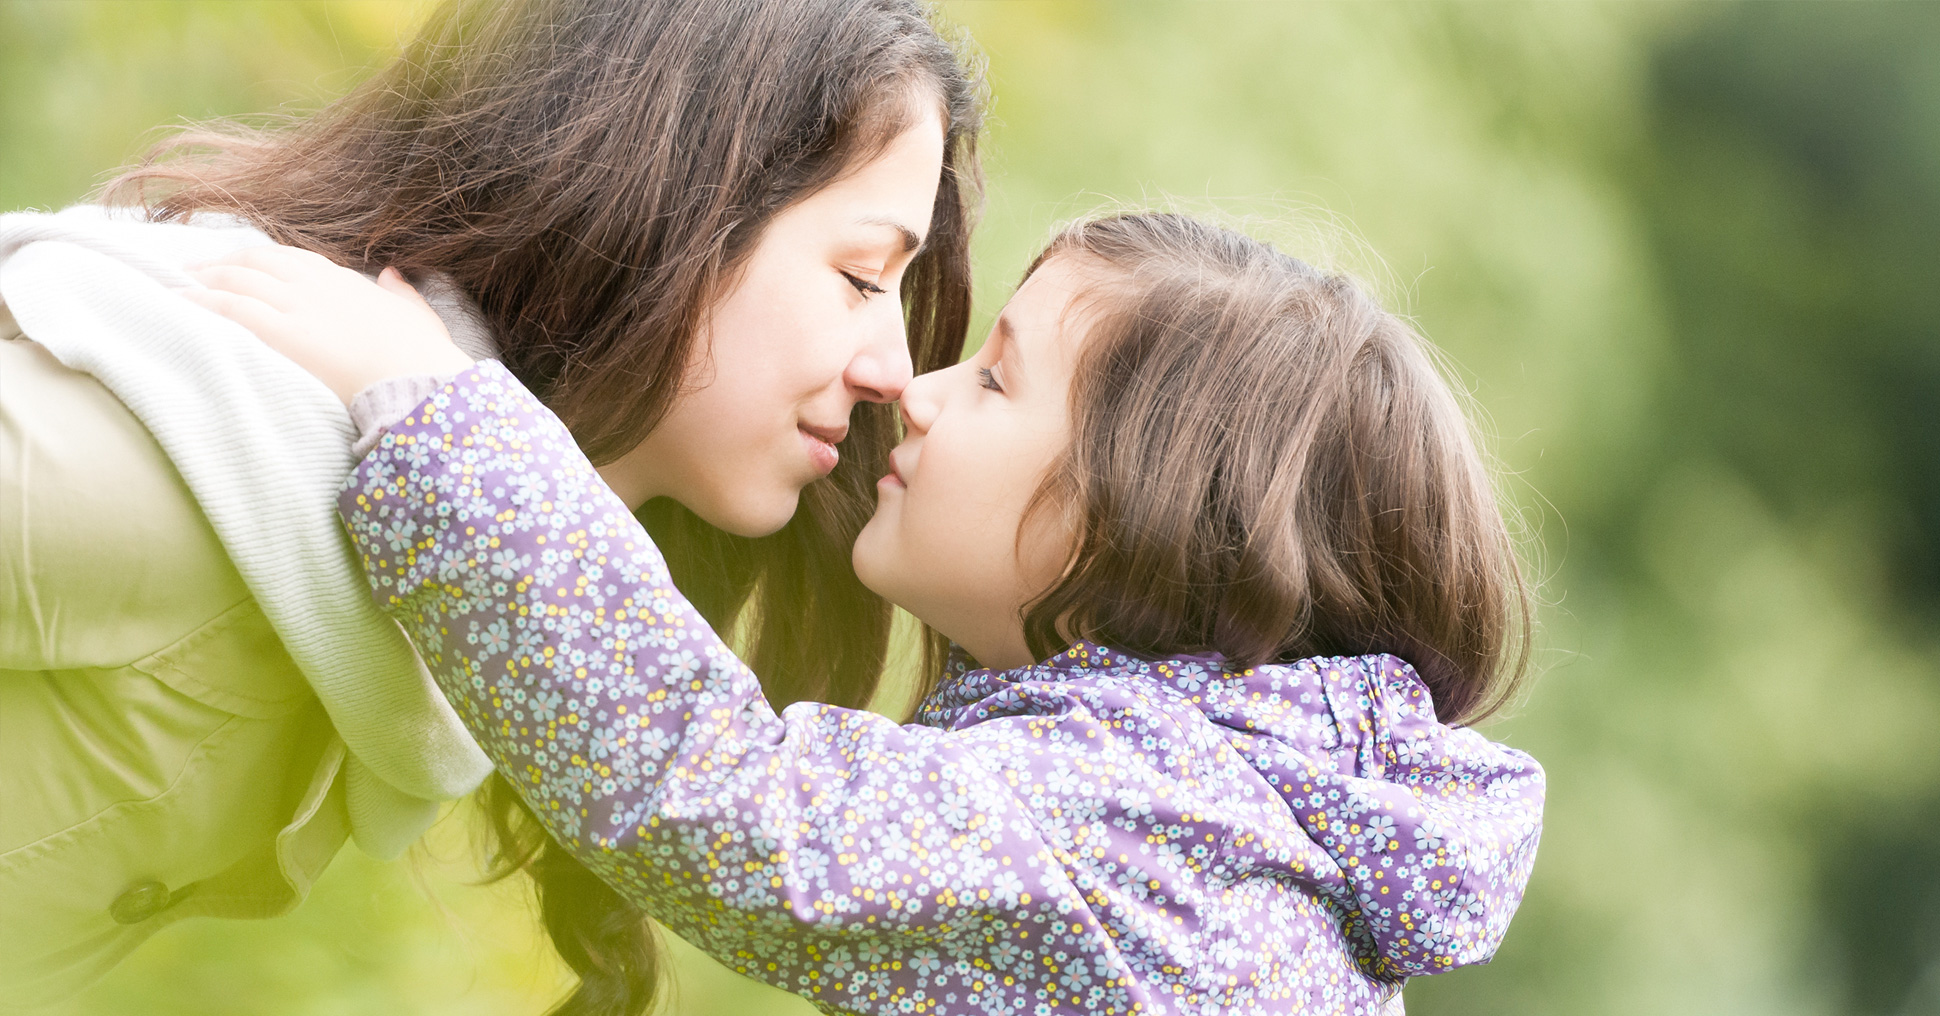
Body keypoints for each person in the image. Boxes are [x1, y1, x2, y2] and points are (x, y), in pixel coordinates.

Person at [203, 211, 1547, 1014]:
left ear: (1132, 515)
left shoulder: (1132, 826)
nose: (920, 388)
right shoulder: (1224, 809)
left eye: (1001, 381)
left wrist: (432, 409)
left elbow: (719, 798)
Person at [0, 0, 982, 1007]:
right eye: (864, 276)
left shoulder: (451, 593)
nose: (895, 370)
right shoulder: (216, 455)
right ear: (658, 206)